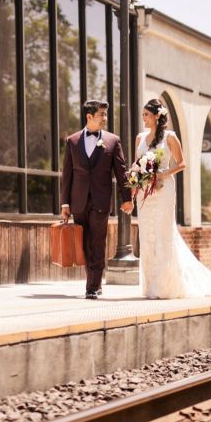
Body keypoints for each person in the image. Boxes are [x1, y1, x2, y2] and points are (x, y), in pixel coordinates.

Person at [133, 98, 211, 299]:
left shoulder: (170, 137)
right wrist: (135, 185)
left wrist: (163, 173)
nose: (144, 118)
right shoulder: (140, 138)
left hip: (164, 190)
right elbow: (136, 165)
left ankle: (164, 286)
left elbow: (182, 163)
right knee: (147, 234)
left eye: (146, 115)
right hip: (144, 193)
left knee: (163, 233)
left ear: (157, 116)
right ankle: (150, 286)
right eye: (143, 115)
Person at [60, 100, 133, 299]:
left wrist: (126, 198)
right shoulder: (72, 141)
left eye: (105, 114)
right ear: (89, 117)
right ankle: (94, 280)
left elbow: (121, 172)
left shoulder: (112, 141)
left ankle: (93, 285)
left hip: (101, 201)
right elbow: (67, 175)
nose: (105, 118)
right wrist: (65, 203)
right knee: (84, 243)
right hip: (79, 201)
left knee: (97, 241)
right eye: (101, 114)